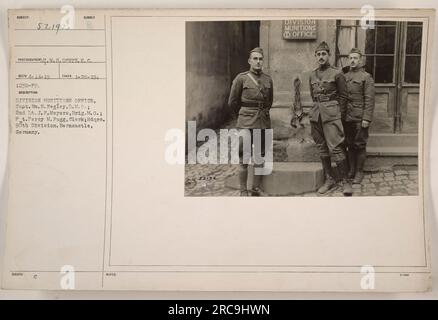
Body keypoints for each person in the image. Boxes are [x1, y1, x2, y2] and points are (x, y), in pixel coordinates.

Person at [228, 47, 273, 196]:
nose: (258, 62)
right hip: (246, 123)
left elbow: (269, 102)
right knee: (244, 157)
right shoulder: (241, 78)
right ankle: (243, 190)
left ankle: (256, 188)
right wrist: (241, 117)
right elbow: (232, 102)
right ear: (249, 61)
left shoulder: (268, 79)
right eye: (255, 59)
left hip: (262, 122)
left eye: (260, 59)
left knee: (260, 156)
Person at [308, 41, 352, 196]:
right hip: (316, 115)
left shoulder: (337, 73)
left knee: (337, 147)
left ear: (329, 55)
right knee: (322, 148)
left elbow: (344, 96)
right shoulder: (312, 74)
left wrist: (338, 115)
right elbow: (314, 96)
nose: (321, 57)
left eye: (324, 54)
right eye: (318, 54)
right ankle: (329, 179)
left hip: (332, 115)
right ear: (316, 56)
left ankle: (346, 181)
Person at [344, 48, 375, 184]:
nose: (352, 60)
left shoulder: (366, 77)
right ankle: (351, 170)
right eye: (350, 58)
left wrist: (366, 118)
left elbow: (369, 99)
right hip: (347, 117)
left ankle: (359, 172)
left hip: (359, 117)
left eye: (355, 58)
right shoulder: (344, 77)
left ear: (360, 60)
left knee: (360, 145)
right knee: (349, 144)